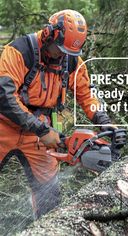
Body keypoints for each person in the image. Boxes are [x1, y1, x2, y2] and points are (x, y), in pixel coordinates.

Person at [0, 9, 115, 219]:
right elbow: (4, 97)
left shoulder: (70, 61)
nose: (61, 55)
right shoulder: (19, 51)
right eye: (59, 49)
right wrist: (41, 129)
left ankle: (47, 227)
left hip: (38, 130)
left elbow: (86, 93)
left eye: (68, 52)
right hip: (5, 125)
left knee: (49, 193)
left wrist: (103, 120)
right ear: (49, 34)